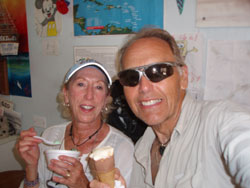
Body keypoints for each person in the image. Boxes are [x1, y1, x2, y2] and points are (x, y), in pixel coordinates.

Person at [90, 28, 250, 188]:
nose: (144, 87)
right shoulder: (140, 150)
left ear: (183, 77)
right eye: (131, 77)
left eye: (158, 71)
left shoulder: (218, 121)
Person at [16, 58, 134, 188]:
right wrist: (31, 167)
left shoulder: (123, 149)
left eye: (98, 87)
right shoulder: (49, 136)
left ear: (106, 99)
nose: (89, 95)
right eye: (81, 84)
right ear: (66, 94)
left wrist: (83, 185)